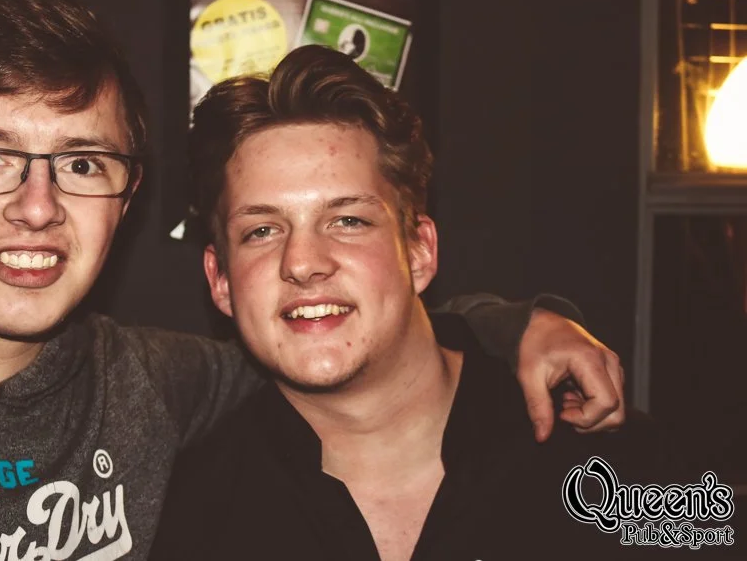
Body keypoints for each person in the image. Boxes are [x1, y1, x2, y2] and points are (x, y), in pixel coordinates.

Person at [0, 0, 623, 560]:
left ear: (125, 198)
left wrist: (518, 325)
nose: (37, 206)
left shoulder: (150, 385)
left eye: (81, 162)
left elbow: (337, 336)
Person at [150, 46, 718, 560]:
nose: (302, 263)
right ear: (220, 280)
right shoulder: (182, 514)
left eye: (348, 220)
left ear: (419, 251)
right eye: (262, 231)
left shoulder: (623, 473)